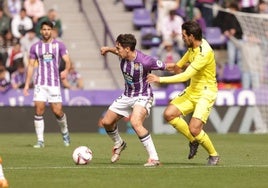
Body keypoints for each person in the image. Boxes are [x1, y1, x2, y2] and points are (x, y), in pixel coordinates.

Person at [147, 21, 220, 165]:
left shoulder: (204, 53)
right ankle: (193, 140)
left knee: (194, 128)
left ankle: (214, 155)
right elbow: (180, 65)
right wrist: (166, 66)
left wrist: (159, 79)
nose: (182, 38)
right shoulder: (193, 47)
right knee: (169, 114)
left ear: (191, 36)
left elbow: (185, 75)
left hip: (206, 93)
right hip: (193, 90)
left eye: (184, 35)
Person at [100, 33, 166, 167]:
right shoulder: (122, 54)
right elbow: (115, 51)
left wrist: (185, 65)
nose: (117, 50)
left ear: (128, 49)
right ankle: (119, 143)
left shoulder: (145, 61)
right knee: (106, 122)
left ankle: (154, 158)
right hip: (127, 95)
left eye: (118, 48)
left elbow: (166, 66)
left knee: (135, 122)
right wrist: (107, 49)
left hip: (143, 95)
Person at [23, 20, 71, 148]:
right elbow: (31, 66)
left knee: (57, 112)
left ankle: (65, 132)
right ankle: (40, 141)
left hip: (54, 84)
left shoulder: (59, 45)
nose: (46, 32)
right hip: (40, 83)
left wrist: (66, 70)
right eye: (44, 29)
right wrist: (27, 84)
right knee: (39, 110)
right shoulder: (35, 47)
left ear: (52, 31)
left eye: (48, 29)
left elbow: (67, 61)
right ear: (40, 31)